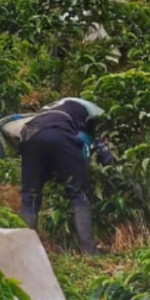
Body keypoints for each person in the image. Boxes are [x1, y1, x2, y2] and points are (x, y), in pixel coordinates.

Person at [18, 98, 115, 255]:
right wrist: (109, 164)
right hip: (60, 134)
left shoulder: (47, 109)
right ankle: (88, 250)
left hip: (30, 136)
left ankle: (25, 252)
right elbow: (100, 144)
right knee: (78, 194)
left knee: (30, 197)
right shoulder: (91, 111)